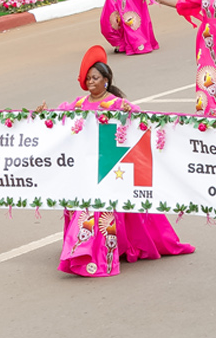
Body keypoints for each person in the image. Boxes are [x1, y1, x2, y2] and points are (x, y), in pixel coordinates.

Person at [39, 46, 194, 277]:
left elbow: (142, 122)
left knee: (97, 212)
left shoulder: (119, 106)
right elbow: (58, 118)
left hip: (110, 168)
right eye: (88, 78)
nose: (90, 82)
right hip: (84, 167)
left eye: (95, 78)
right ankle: (82, 248)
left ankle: (90, 256)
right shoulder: (79, 104)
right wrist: (43, 114)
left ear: (106, 80)